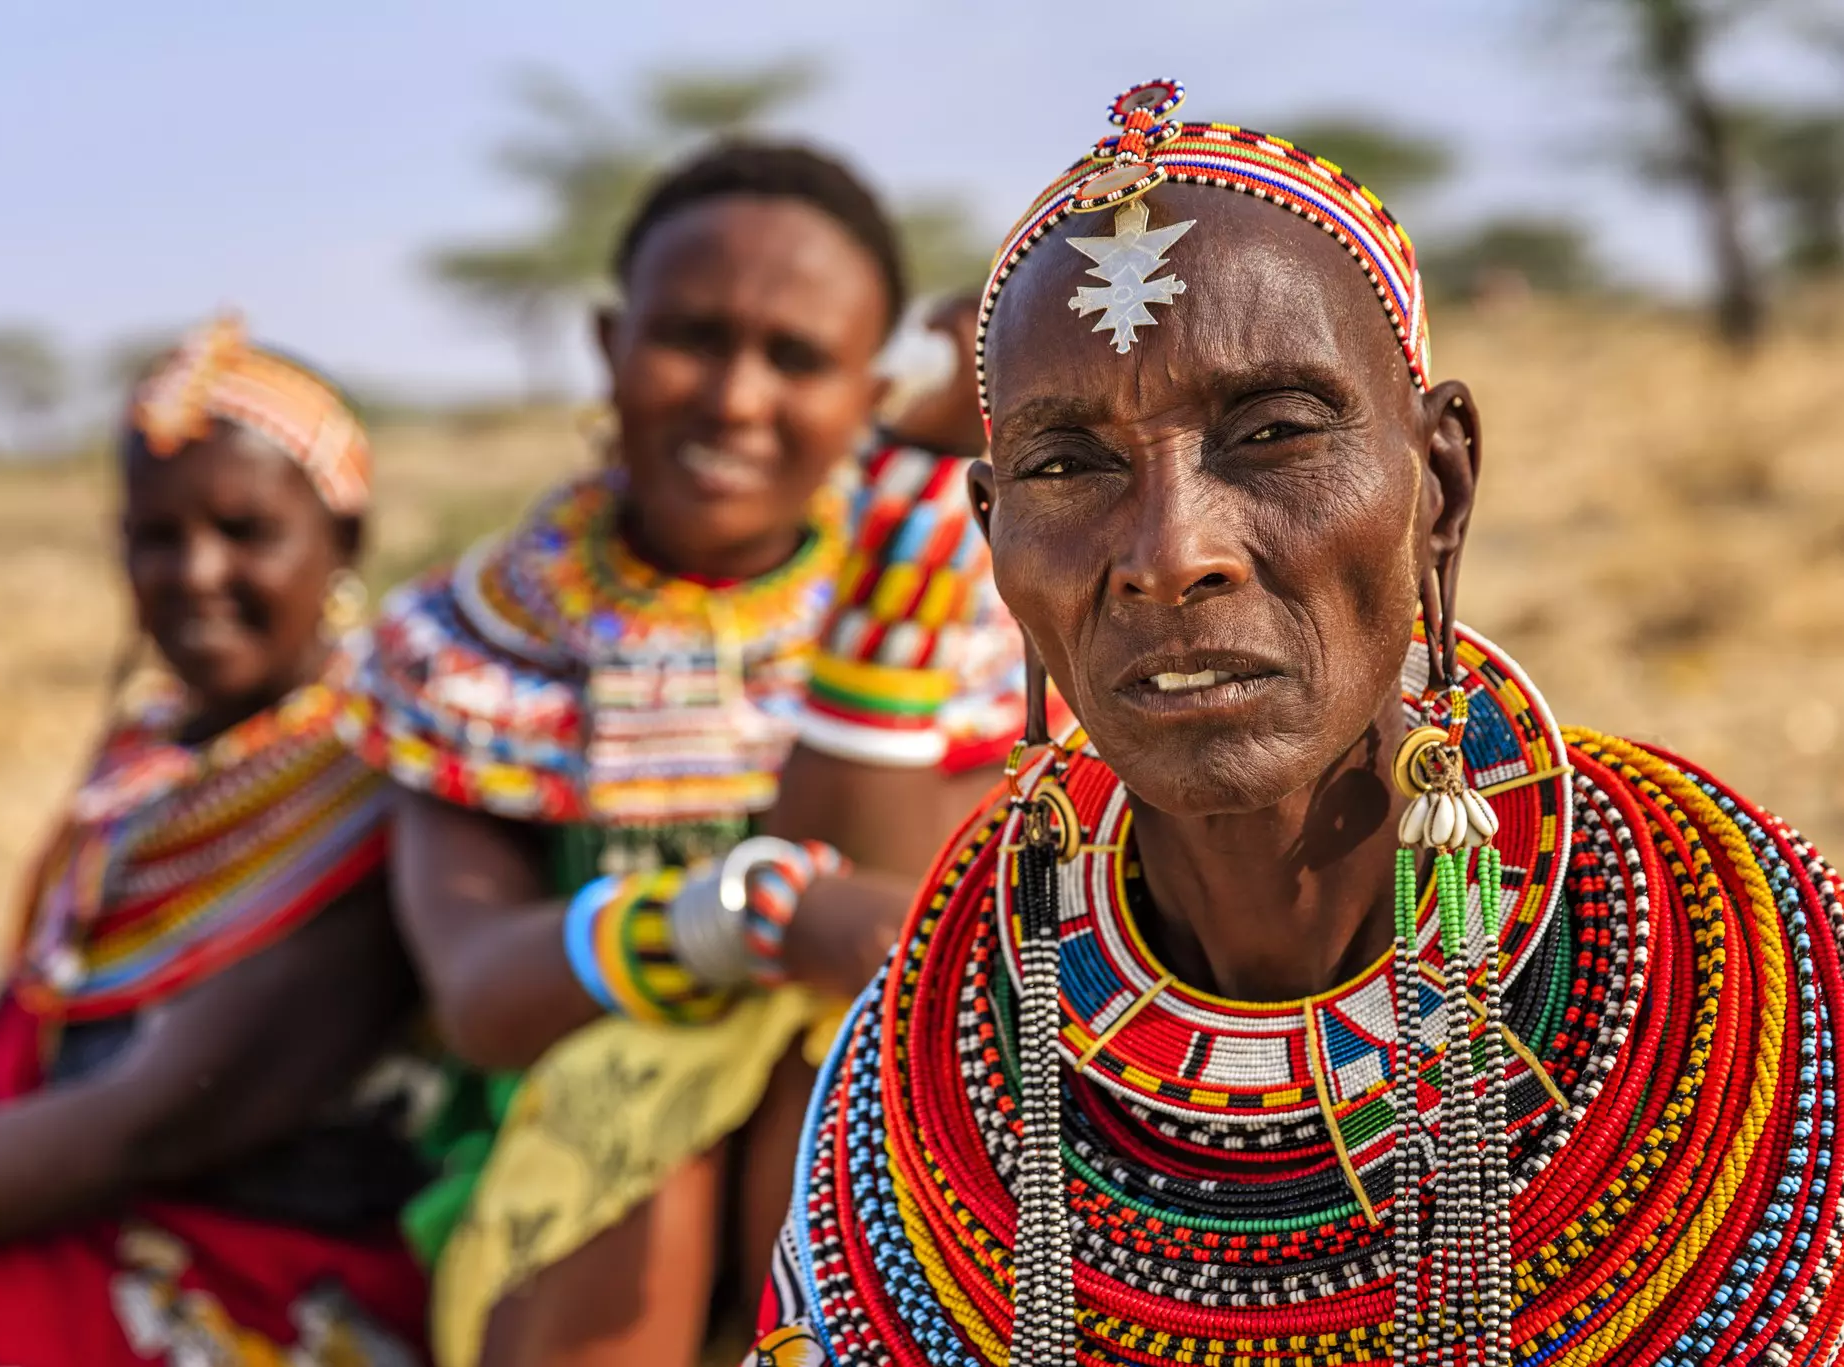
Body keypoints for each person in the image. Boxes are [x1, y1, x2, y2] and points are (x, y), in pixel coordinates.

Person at [751, 78, 1844, 1366]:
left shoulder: (1755, 958)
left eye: (1271, 433)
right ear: (993, 531)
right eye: (1065, 465)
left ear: (1438, 482)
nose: (1171, 552)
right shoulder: (925, 1059)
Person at [338, 141, 1037, 1367]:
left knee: (840, 1066)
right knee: (643, 1088)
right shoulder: (471, 644)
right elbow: (485, 995)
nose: (734, 396)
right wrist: (745, 917)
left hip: (828, 1171)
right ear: (609, 345)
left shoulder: (962, 619)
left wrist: (913, 514)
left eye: (798, 358)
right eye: (692, 336)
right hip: (561, 1209)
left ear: (867, 387)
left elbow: (891, 934)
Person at [0, 316, 432, 1366]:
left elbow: (154, 1119)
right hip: (54, 1205)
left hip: (254, 1279)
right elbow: (25, 1010)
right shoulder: (146, 763)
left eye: (246, 530)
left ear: (343, 542)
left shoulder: (376, 779)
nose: (195, 571)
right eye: (155, 535)